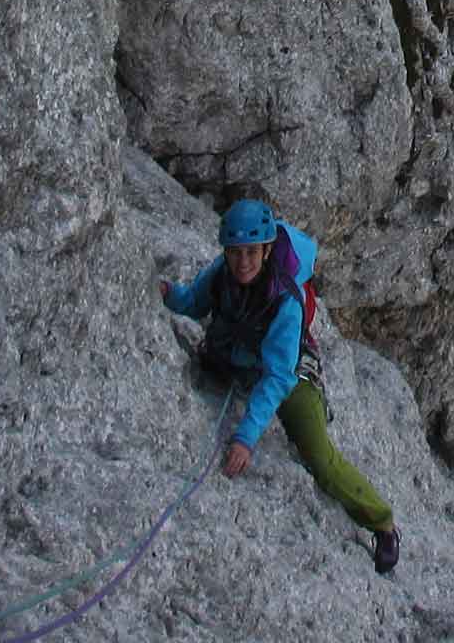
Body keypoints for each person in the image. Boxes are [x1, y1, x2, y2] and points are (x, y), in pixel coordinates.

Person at [160, 198, 400, 574]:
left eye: (252, 252)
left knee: (320, 457)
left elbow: (277, 376)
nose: (243, 262)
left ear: (268, 249)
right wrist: (167, 294)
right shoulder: (222, 273)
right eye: (236, 253)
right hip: (238, 360)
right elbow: (194, 301)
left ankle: (382, 523)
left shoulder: (284, 300)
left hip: (288, 374)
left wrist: (245, 437)